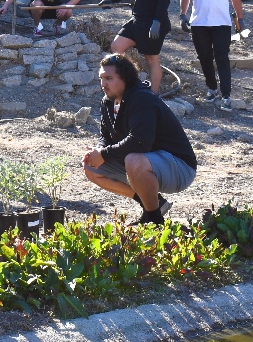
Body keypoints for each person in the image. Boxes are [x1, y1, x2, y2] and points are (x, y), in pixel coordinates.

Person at [82, 53, 197, 225]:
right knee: (91, 166)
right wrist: (98, 151)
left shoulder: (142, 99)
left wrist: (104, 154)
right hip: (148, 163)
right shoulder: (108, 101)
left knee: (133, 160)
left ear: (125, 79)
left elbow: (140, 142)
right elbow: (105, 137)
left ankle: (154, 220)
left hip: (179, 167)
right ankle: (154, 205)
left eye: (109, 78)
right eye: (101, 78)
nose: (103, 84)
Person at [177, 0, 245, 109]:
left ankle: (226, 95)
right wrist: (183, 15)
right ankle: (211, 88)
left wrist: (240, 18)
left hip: (221, 22)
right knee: (204, 57)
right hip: (199, 23)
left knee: (222, 57)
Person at [99, 0, 171, 93]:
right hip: (137, 21)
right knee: (117, 47)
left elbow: (164, 0)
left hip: (152, 24)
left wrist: (157, 21)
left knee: (151, 59)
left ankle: (153, 96)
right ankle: (130, 84)